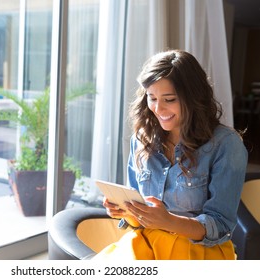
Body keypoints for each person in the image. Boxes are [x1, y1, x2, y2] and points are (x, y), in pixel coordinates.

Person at [96, 49, 248, 260]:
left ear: (193, 97)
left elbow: (221, 225)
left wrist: (169, 221)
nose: (158, 108)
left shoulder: (226, 145)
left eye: (169, 99)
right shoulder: (141, 139)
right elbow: (140, 212)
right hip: (144, 245)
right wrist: (127, 211)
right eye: (152, 97)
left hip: (197, 253)